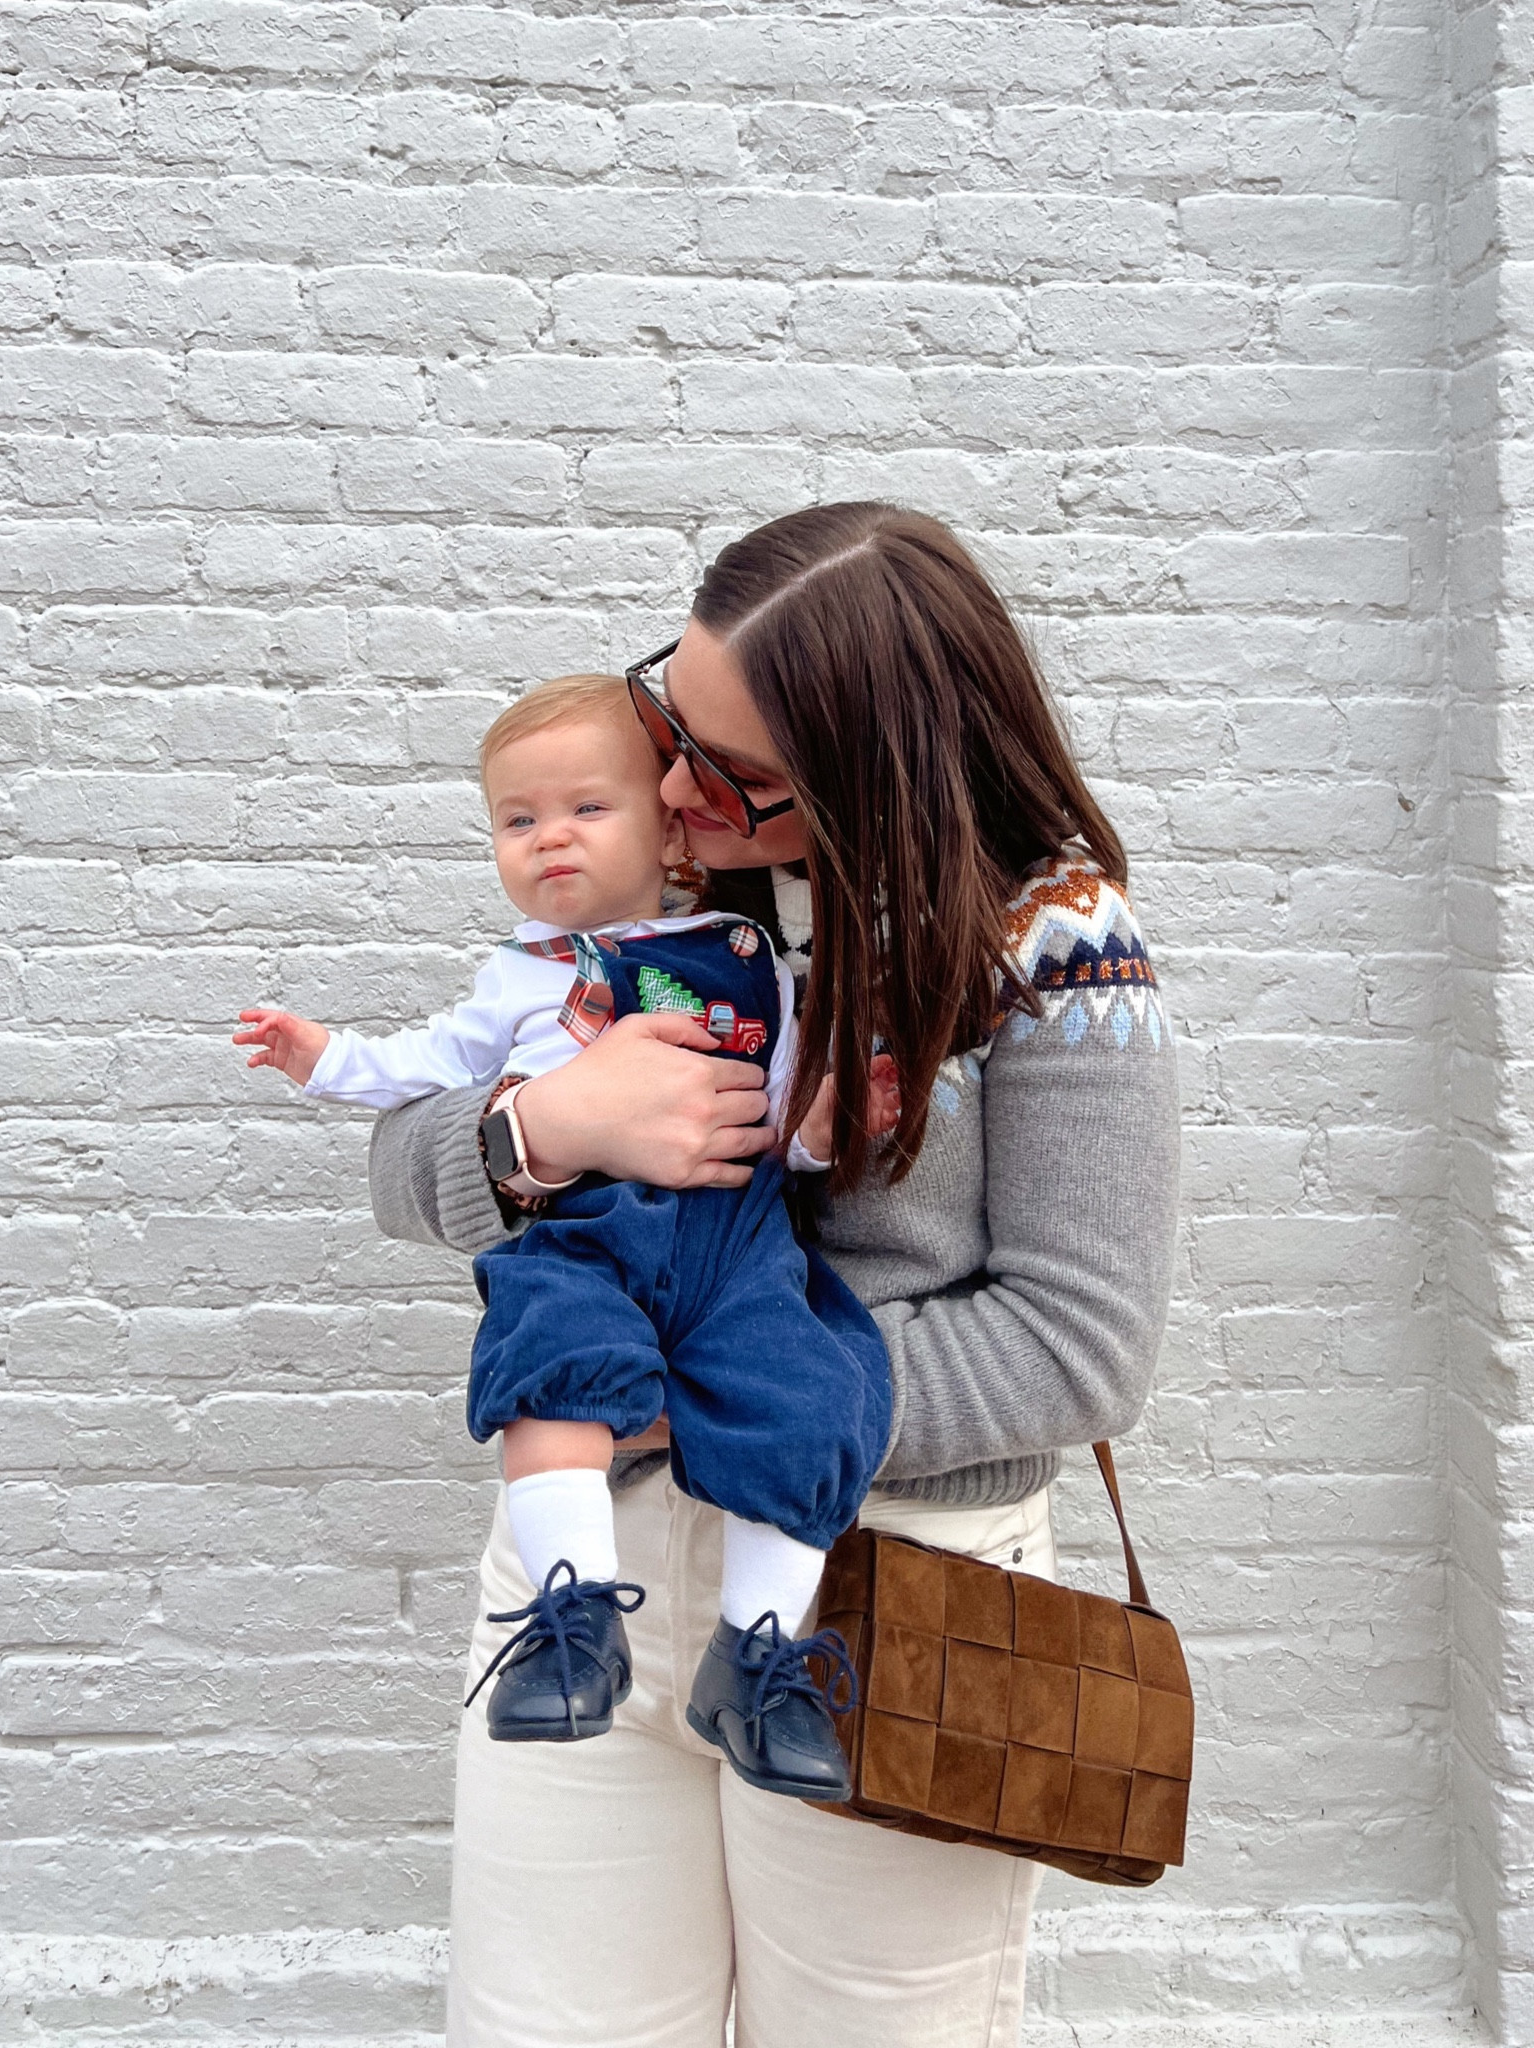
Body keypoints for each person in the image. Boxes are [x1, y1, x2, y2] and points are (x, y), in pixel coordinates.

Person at [368, 504, 1182, 2047]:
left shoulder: (1055, 941)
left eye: (726, 771)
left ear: (875, 769)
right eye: (670, 721)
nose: (668, 787)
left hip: (887, 1602)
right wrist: (539, 1127)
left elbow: (1080, 1345)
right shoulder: (664, 898)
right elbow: (405, 1161)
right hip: (582, 1581)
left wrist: (720, 1392)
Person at [234, 672, 894, 1799]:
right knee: (552, 1369)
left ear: (668, 828)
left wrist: (830, 1126)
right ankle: (571, 1617)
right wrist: (326, 1058)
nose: (550, 840)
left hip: (735, 1233)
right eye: (517, 818)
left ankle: (762, 1655)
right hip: (577, 1225)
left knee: (807, 1393)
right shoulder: (520, 973)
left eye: (586, 808)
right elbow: (428, 1066)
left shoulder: (744, 954)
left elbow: (781, 1119)